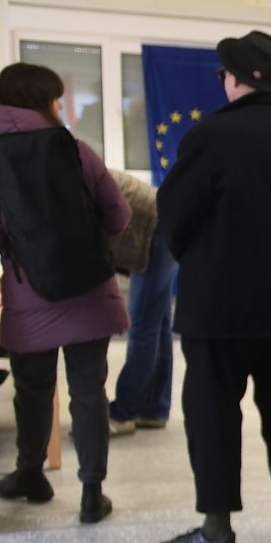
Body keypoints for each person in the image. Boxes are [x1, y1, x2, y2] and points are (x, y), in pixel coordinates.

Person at [153, 30, 271, 543]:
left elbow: (175, 216)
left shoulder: (211, 136)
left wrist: (204, 256)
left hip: (220, 301)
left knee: (212, 412)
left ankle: (216, 531)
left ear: (233, 80)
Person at [0, 63, 132, 524]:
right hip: (89, 289)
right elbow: (119, 216)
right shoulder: (75, 151)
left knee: (32, 391)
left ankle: (31, 474)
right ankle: (91, 493)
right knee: (89, 392)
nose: (61, 106)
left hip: (29, 293)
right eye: (56, 98)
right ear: (42, 102)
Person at [107, 169, 172, 437]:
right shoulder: (82, 169)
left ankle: (123, 412)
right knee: (158, 324)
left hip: (155, 228)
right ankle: (154, 409)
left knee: (143, 327)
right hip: (162, 221)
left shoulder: (72, 182)